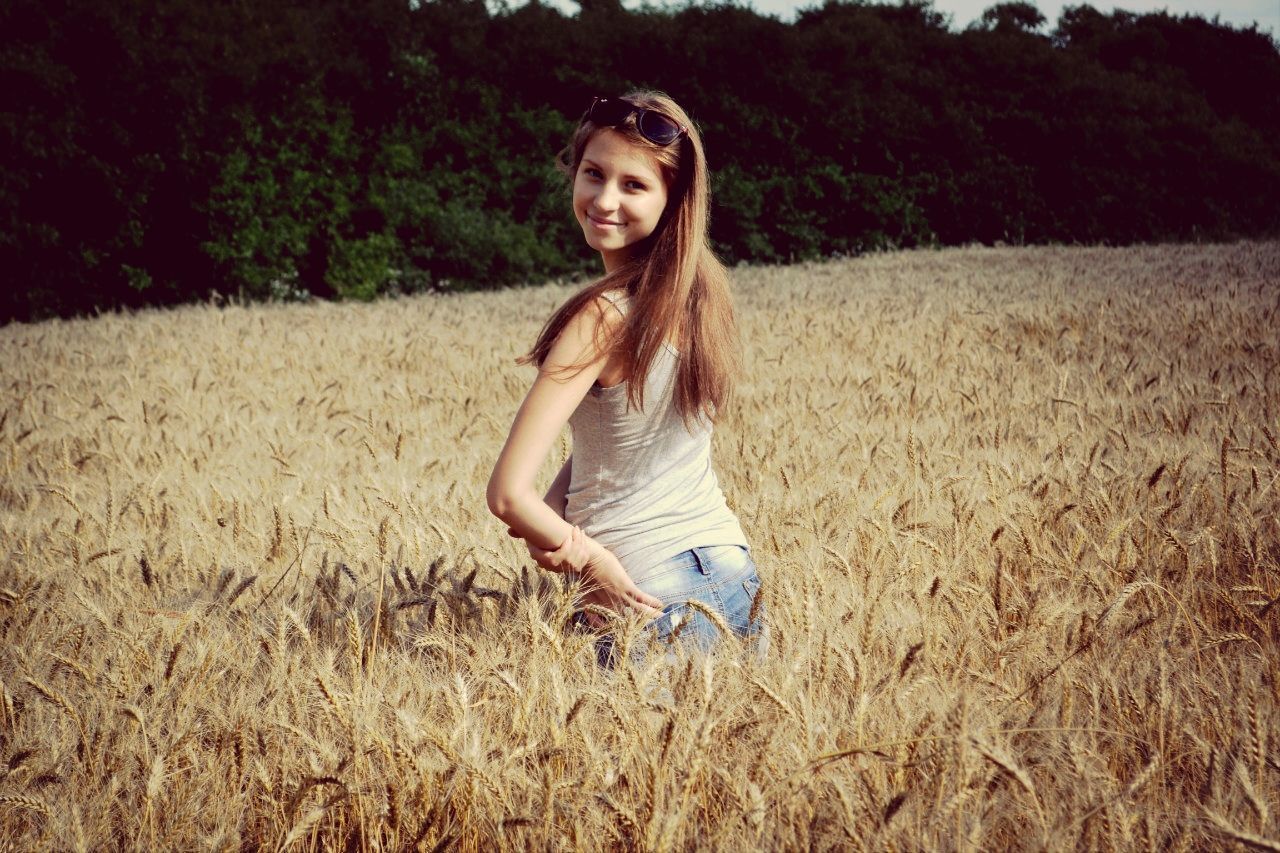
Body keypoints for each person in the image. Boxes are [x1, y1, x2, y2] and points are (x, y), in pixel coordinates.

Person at [486, 91, 766, 668]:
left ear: (672, 198)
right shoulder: (701, 295)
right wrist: (558, 516)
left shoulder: (602, 316)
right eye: (594, 174)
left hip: (646, 587)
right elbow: (625, 442)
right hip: (734, 574)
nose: (604, 199)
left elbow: (506, 493)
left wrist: (585, 558)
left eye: (634, 185)